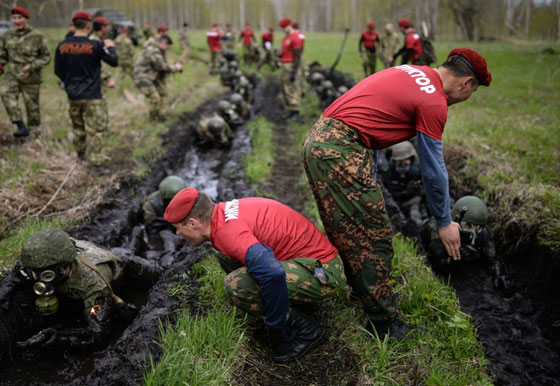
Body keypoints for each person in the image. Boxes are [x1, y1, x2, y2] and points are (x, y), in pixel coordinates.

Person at [302, 48, 492, 338]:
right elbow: (433, 169)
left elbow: (372, 123)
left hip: (322, 140)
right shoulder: (434, 102)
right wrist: (444, 222)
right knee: (374, 236)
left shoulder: (411, 72)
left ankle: (361, 293)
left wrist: (372, 178)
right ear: (466, 83)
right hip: (341, 149)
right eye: (472, 93)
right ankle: (383, 324)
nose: (465, 100)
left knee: (347, 231)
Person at [164, 188, 349, 362]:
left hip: (324, 272)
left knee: (236, 285)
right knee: (227, 259)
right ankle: (286, 304)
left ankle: (307, 329)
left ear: (193, 223)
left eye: (178, 228)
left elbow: (272, 273)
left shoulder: (229, 233)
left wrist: (277, 329)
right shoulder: (221, 216)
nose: (178, 233)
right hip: (309, 262)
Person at [13, 228, 160, 350]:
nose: (40, 281)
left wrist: (59, 337)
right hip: (91, 252)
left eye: (47, 275)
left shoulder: (92, 285)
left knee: (160, 272)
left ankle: (139, 231)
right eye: (34, 273)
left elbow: (99, 336)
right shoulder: (34, 265)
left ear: (65, 267)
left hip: (122, 264)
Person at [54, 11, 118, 166]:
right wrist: (111, 47)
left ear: (74, 24)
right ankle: (96, 161)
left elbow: (58, 70)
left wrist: (69, 83)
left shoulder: (63, 45)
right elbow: (113, 61)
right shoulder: (95, 45)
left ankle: (80, 156)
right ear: (89, 26)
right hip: (92, 95)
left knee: (78, 128)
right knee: (94, 130)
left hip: (73, 95)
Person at [0, 7, 50, 138]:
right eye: (14, 18)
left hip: (30, 76)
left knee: (32, 107)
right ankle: (19, 124)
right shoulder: (7, 35)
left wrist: (32, 66)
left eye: (19, 18)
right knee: (5, 93)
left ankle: (34, 135)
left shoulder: (37, 36)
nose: (16, 21)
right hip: (12, 74)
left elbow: (46, 57)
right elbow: (3, 54)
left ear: (26, 19)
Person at [422, 196, 497, 271]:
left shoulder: (481, 231)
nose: (474, 232)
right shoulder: (438, 231)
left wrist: (495, 269)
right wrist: (452, 261)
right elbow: (435, 262)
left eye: (478, 227)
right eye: (468, 226)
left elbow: (490, 255)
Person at [379, 141, 427, 234]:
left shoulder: (420, 169)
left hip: (413, 201)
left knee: (416, 222)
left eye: (405, 161)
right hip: (392, 202)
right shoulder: (387, 171)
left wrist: (417, 190)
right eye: (399, 162)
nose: (402, 166)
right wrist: (396, 211)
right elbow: (383, 192)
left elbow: (428, 193)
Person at [133, 35, 182, 122]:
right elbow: (161, 67)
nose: (167, 49)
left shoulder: (157, 50)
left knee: (164, 94)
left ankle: (161, 116)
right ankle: (152, 121)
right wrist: (175, 68)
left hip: (151, 77)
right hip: (142, 77)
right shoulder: (153, 51)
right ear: (162, 43)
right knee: (155, 98)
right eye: (167, 46)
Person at [277, 18, 303, 122]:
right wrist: (279, 53)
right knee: (285, 88)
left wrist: (294, 71)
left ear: (289, 25)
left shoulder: (295, 37)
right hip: (284, 64)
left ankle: (295, 111)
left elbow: (297, 56)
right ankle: (290, 110)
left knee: (293, 87)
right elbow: (286, 51)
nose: (283, 29)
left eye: (284, 27)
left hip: (292, 65)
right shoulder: (286, 38)